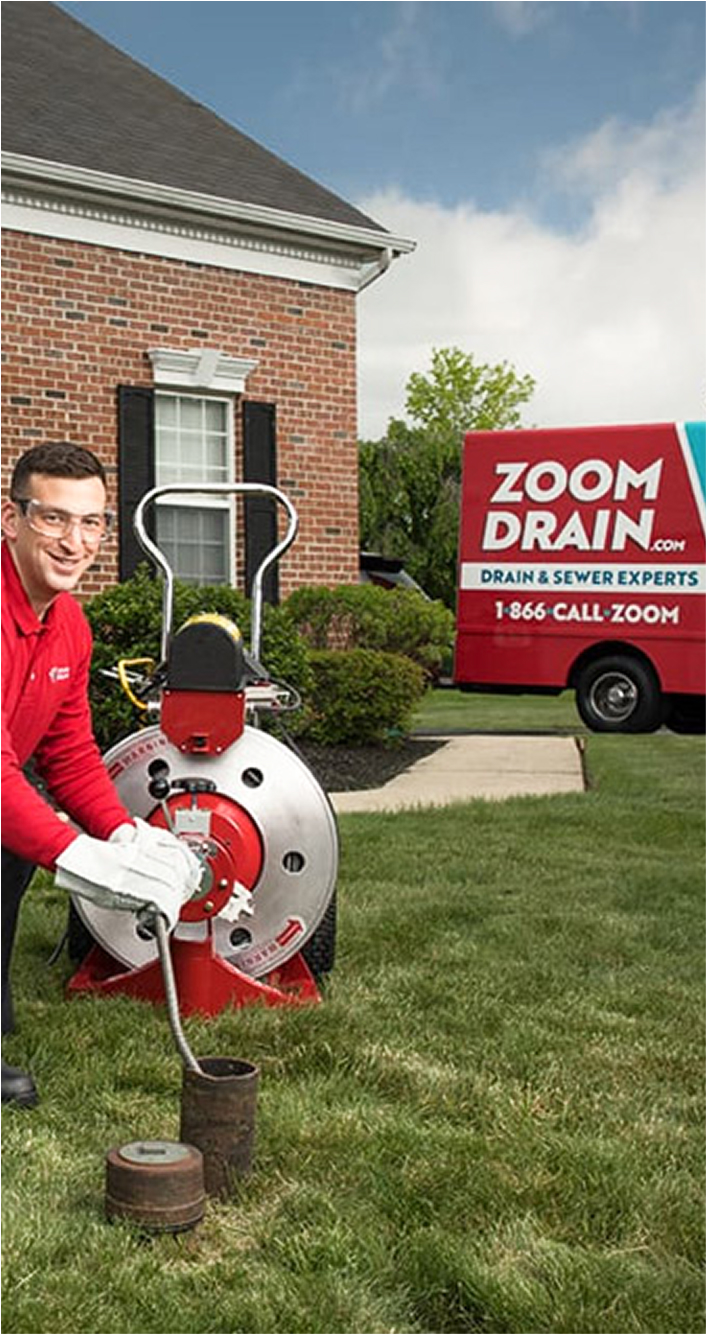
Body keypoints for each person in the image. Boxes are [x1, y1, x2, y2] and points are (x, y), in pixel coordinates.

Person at [1, 442, 201, 1109]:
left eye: (91, 522)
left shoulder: (68, 623)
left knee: (13, 851)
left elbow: (67, 750)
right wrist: (79, 854)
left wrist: (123, 834)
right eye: (54, 518)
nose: (74, 541)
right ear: (12, 519)